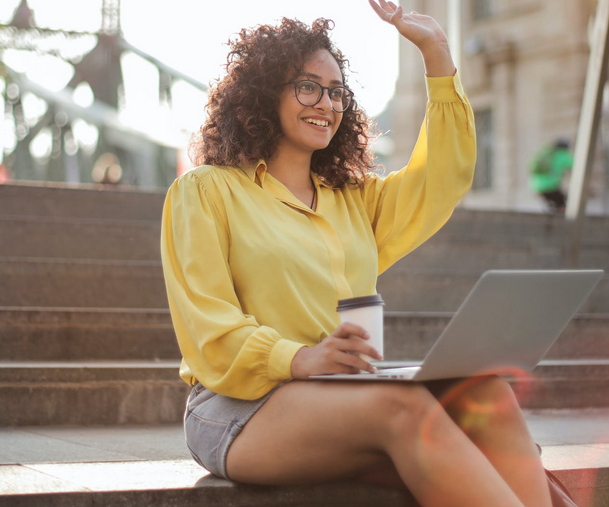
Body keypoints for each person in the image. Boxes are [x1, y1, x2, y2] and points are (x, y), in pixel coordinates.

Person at [160, 1, 552, 506]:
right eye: (307, 86)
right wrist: (300, 358)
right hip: (239, 406)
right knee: (401, 409)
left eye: (336, 92)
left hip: (342, 394)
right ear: (262, 94)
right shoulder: (205, 191)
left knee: (487, 394)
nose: (326, 103)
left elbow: (441, 181)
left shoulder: (354, 199)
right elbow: (207, 327)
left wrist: (436, 51)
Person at [530, 138, 573, 213]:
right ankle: (562, 223)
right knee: (563, 204)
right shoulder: (562, 154)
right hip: (550, 186)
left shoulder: (547, 153)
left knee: (555, 203)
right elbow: (577, 166)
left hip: (536, 186)